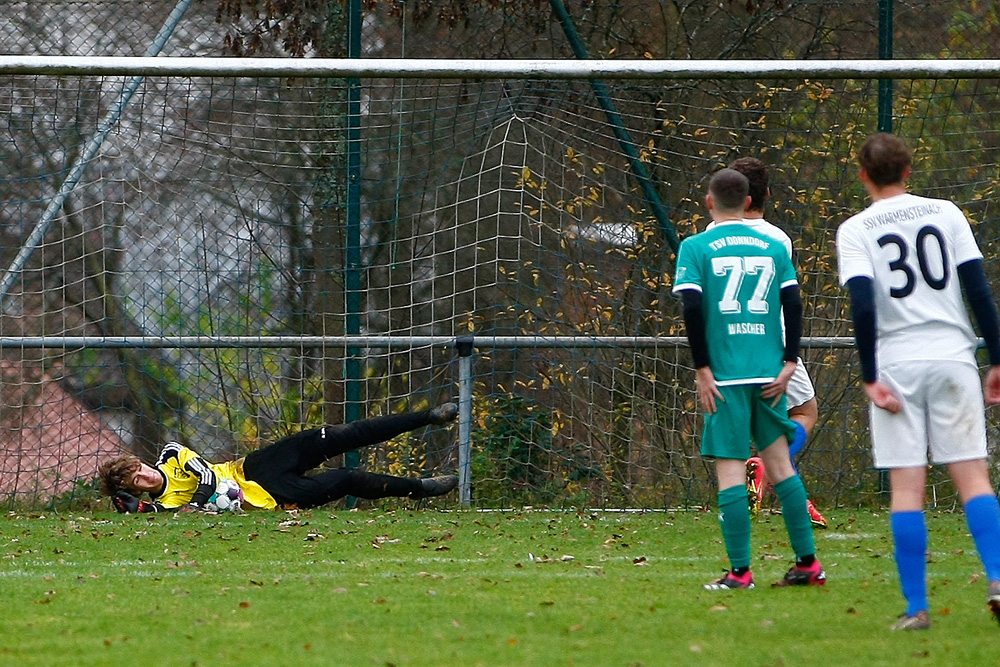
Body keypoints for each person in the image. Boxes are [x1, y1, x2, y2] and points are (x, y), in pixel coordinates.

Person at [837, 132, 1000, 630]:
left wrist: (868, 376)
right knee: (973, 476)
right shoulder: (947, 213)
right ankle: (998, 579)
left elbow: (863, 303)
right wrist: (998, 359)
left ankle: (916, 609)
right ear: (909, 171)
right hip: (952, 356)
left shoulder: (855, 228)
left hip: (898, 364)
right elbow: (977, 288)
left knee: (907, 488)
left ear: (863, 175)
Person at [673, 167, 825, 590]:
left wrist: (703, 370)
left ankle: (740, 572)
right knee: (781, 467)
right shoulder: (772, 244)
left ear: (709, 202)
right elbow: (793, 303)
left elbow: (691, 310)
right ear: (747, 202)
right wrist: (790, 361)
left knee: (730, 471)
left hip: (725, 375)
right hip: (768, 372)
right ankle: (808, 564)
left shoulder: (695, 246)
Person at [99, 403, 460, 512]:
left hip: (254, 466)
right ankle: (423, 488)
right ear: (138, 488)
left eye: (140, 469)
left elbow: (206, 478)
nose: (145, 476)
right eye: (138, 480)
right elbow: (158, 516)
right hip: (273, 496)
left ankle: (428, 417)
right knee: (348, 479)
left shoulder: (170, 454)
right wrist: (138, 511)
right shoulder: (165, 505)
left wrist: (196, 503)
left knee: (341, 435)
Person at [727, 156, 828, 529]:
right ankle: (767, 467)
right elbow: (788, 298)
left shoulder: (711, 234)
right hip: (771, 339)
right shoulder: (777, 238)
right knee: (805, 412)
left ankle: (776, 494)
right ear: (766, 194)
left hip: (728, 344)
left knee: (741, 424)